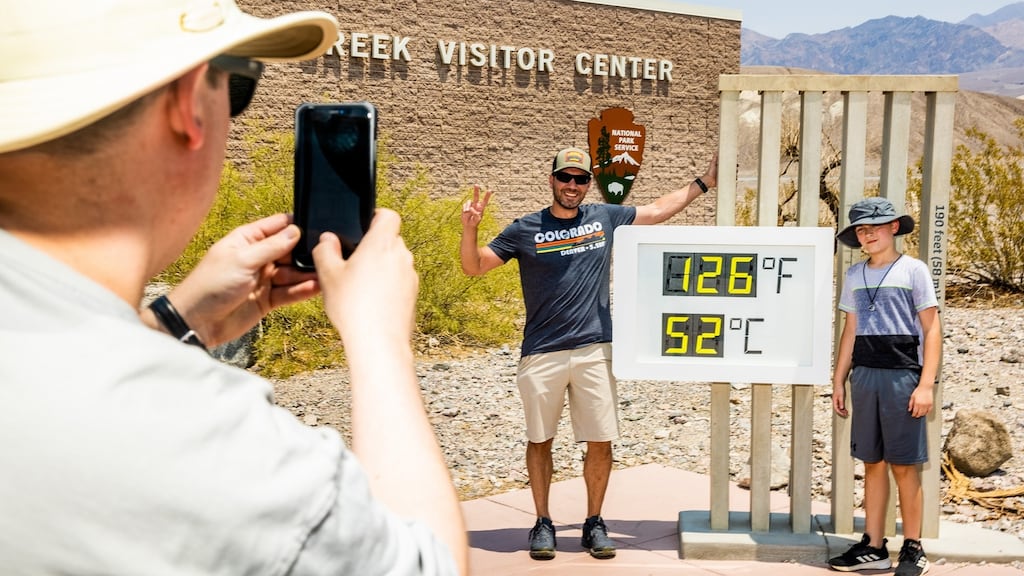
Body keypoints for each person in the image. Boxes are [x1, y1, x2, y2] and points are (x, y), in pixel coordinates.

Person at [0, 0, 468, 574]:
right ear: (187, 102)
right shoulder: (199, 438)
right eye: (240, 85)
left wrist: (171, 322)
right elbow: (430, 562)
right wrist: (379, 340)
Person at [460, 146, 717, 560]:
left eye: (581, 179)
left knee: (600, 439)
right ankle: (542, 522)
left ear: (587, 184)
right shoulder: (524, 229)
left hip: (594, 348)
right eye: (566, 178)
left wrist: (704, 183)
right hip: (542, 352)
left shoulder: (604, 217)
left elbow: (655, 210)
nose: (573, 186)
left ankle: (594, 521)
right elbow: (473, 267)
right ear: (552, 180)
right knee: (540, 439)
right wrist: (469, 228)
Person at [829, 197, 941, 576]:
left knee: (904, 466)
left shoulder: (914, 270)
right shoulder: (855, 275)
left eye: (875, 226)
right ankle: (874, 546)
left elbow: (932, 328)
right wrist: (839, 379)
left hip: (903, 377)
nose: (867, 234)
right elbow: (851, 329)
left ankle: (913, 547)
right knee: (872, 464)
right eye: (861, 229)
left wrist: (926, 384)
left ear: (894, 227)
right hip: (864, 377)